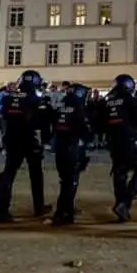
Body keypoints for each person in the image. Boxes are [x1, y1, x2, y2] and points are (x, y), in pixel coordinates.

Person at [0, 70, 52, 222]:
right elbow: (42, 123)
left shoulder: (8, 98)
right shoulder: (37, 100)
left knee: (8, 173)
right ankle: (38, 208)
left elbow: (2, 114)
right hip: (29, 139)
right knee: (35, 175)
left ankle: (2, 210)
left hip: (12, 139)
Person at [96, 74, 137, 222]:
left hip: (113, 141)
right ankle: (125, 201)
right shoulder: (130, 99)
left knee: (120, 173)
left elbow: (99, 122)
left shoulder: (106, 100)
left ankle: (120, 203)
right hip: (130, 140)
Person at [51, 83, 90, 226]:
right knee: (71, 181)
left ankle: (67, 209)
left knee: (65, 180)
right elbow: (85, 130)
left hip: (60, 147)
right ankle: (62, 212)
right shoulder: (78, 108)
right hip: (72, 147)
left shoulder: (61, 106)